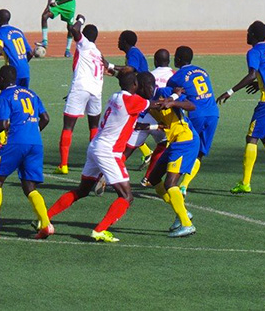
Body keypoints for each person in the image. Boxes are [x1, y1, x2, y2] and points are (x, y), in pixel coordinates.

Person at [44, 72, 157, 243]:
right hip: (109, 152)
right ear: (135, 84)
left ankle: (44, 218)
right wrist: (177, 96)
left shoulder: (115, 97)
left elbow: (131, 122)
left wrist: (155, 125)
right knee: (127, 197)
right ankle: (100, 230)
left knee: (82, 190)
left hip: (95, 147)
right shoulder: (133, 101)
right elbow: (157, 104)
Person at [0, 66, 53, 240]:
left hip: (16, 142)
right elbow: (46, 118)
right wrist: (32, 132)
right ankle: (46, 224)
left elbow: (2, 125)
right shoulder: (31, 93)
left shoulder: (4, 96)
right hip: (35, 143)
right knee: (29, 187)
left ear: (1, 79)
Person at [216, 21, 265, 194]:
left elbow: (250, 75)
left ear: (254, 35)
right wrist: (262, 82)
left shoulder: (254, 52)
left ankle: (245, 183)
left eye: (248, 33)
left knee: (251, 138)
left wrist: (230, 91)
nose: (246, 35)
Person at [140, 72, 199, 237]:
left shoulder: (164, 93)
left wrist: (173, 102)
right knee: (154, 179)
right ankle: (183, 213)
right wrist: (146, 127)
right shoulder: (147, 102)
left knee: (170, 184)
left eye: (138, 87)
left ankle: (187, 224)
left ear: (146, 87)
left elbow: (191, 105)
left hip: (185, 140)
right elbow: (158, 121)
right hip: (174, 142)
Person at [54, 14, 105, 175]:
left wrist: (80, 20)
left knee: (68, 126)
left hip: (80, 88)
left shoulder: (84, 45)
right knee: (94, 127)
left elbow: (74, 29)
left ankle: (63, 165)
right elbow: (108, 68)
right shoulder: (98, 52)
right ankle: (94, 163)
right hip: (96, 91)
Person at [167, 46, 219, 196]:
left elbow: (173, 97)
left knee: (186, 146)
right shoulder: (203, 71)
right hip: (213, 113)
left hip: (197, 114)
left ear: (178, 59)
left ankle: (173, 180)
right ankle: (184, 185)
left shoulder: (175, 78)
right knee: (200, 152)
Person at [0, 9, 33, 150]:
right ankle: (20, 135)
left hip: (11, 73)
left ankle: (3, 140)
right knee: (20, 104)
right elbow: (30, 52)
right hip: (25, 72)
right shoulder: (18, 31)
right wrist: (23, 64)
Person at [123, 49, 173, 185]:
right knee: (163, 144)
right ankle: (148, 178)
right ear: (169, 61)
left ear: (155, 61)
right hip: (163, 118)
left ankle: (107, 173)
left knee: (128, 149)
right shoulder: (174, 75)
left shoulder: (149, 75)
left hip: (145, 114)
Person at [104, 30, 151, 164]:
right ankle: (147, 152)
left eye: (119, 39)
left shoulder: (133, 53)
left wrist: (110, 65)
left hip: (140, 93)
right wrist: (113, 73)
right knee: (130, 123)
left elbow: (130, 69)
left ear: (125, 41)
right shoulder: (132, 53)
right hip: (137, 91)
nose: (117, 42)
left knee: (129, 123)